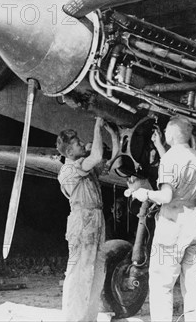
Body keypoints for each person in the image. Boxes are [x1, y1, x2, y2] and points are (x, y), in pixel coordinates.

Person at [125, 116, 196, 322]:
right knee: (194, 282)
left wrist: (145, 194)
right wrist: (159, 146)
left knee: (162, 283)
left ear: (171, 134)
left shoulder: (171, 159)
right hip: (195, 221)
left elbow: (167, 196)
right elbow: (175, 169)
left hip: (173, 223)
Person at [56, 116, 114, 322]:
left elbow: (104, 163)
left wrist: (94, 147)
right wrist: (98, 127)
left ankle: (89, 318)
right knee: (79, 272)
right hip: (82, 220)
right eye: (78, 143)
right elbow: (97, 156)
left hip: (95, 218)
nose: (82, 144)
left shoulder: (82, 165)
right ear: (69, 152)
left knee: (96, 271)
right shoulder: (69, 169)